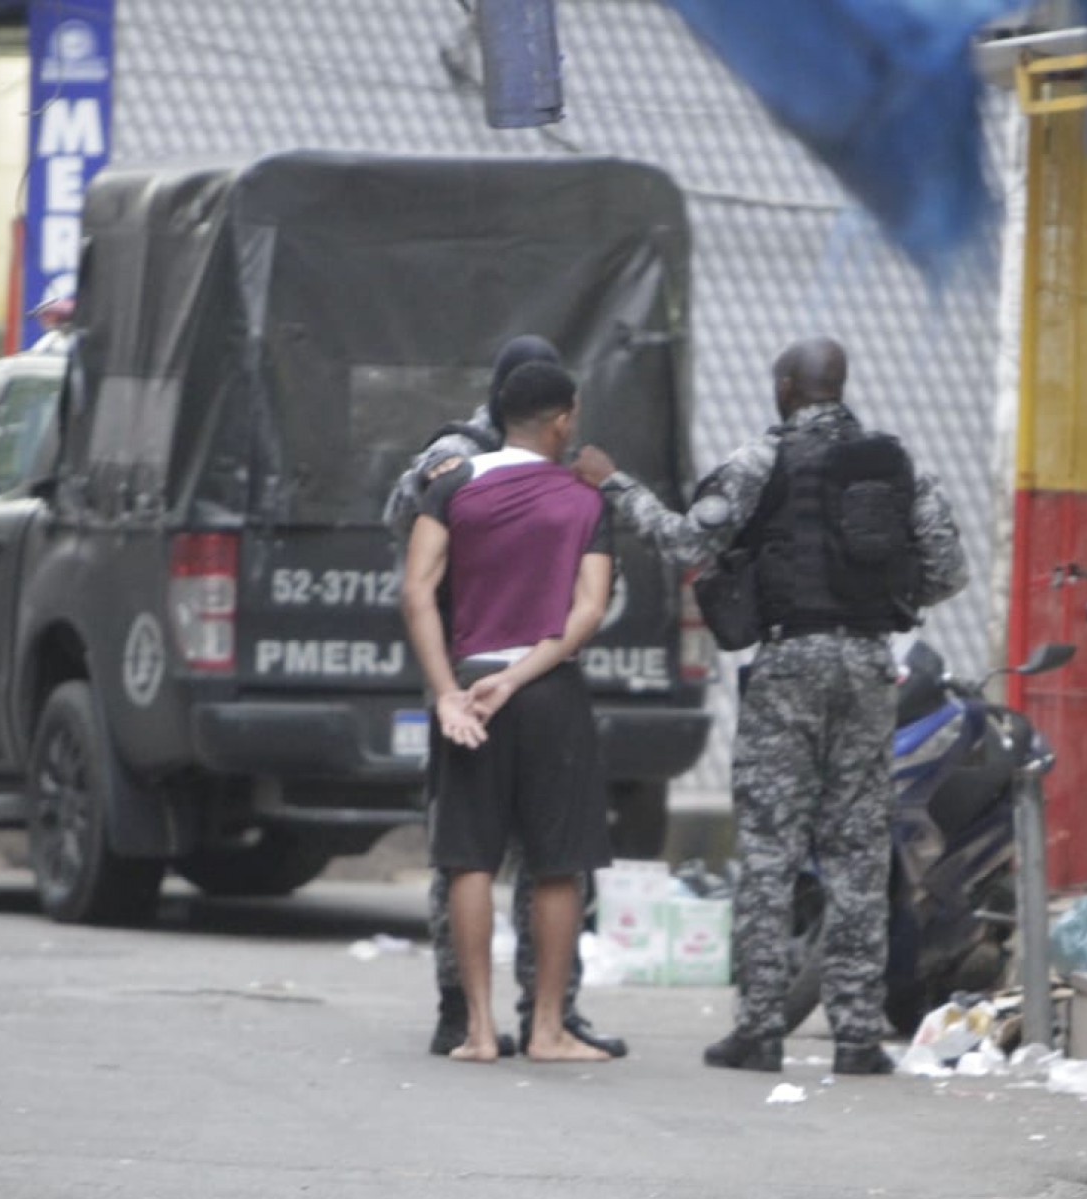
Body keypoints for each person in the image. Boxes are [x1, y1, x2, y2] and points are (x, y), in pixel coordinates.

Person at [573, 337, 968, 1076]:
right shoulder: (898, 463)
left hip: (790, 663)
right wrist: (882, 601)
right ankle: (856, 1036)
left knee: (769, 849)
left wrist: (616, 486)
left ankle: (759, 1030)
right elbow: (949, 572)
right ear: (839, 385)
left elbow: (690, 542)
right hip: (868, 662)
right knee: (856, 853)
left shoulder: (763, 460)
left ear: (788, 387)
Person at [386, 336, 628, 1061]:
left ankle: (480, 1030)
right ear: (563, 420)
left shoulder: (450, 481)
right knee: (556, 864)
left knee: (469, 860)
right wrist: (522, 674)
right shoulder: (586, 499)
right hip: (547, 690)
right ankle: (549, 1029)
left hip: (470, 684)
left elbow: (415, 590)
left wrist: (449, 693)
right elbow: (586, 612)